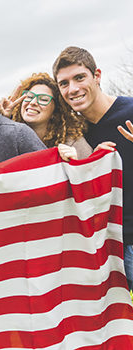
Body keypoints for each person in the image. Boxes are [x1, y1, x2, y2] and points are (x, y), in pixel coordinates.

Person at [52, 46, 133, 289]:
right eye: (64, 83)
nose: (73, 89)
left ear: (97, 76)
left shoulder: (130, 111)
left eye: (79, 78)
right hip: (105, 248)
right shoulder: (74, 133)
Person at [0, 72, 92, 159]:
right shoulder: (11, 137)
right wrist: (3, 119)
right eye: (29, 97)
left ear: (56, 110)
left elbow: (91, 173)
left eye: (43, 99)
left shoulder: (73, 144)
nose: (33, 102)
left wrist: (77, 163)